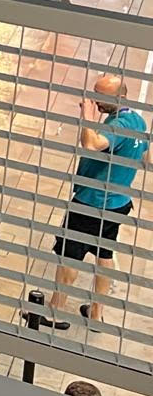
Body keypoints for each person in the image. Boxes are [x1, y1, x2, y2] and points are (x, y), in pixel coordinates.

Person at [46, 75, 146, 327]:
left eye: (101, 97)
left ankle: (55, 308)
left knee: (70, 254)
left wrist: (87, 118)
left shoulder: (118, 125)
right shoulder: (138, 121)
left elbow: (92, 144)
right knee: (104, 253)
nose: (95, 100)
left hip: (93, 202)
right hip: (118, 202)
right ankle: (96, 312)